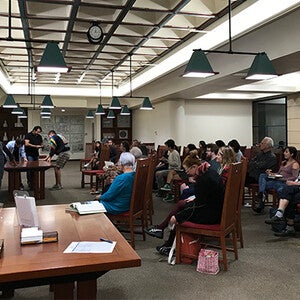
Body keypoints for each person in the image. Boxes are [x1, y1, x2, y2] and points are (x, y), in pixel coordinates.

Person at [146, 146, 236, 255]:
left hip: (212, 214)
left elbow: (200, 205)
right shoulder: (212, 173)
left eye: (187, 170)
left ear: (194, 167)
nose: (187, 173)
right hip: (217, 209)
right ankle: (166, 240)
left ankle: (170, 245)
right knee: (183, 206)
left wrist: (178, 217)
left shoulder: (206, 178)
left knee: (180, 215)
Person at [254, 146, 299, 213]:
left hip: (284, 182)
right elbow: (278, 173)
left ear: (292, 154)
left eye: (286, 152)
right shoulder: (283, 162)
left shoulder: (295, 164)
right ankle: (262, 193)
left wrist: (282, 178)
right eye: (284, 152)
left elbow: (294, 177)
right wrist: (272, 174)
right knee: (262, 175)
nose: (284, 153)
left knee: (264, 185)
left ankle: (261, 203)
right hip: (277, 180)